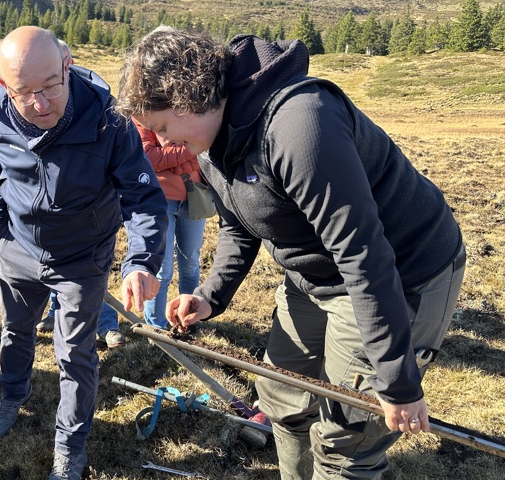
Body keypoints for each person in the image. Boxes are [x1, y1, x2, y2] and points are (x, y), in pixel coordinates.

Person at [117, 29, 465, 480]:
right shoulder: (208, 142)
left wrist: (396, 381)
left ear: (191, 99)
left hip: (400, 275)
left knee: (346, 440)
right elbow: (238, 225)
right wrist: (210, 295)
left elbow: (362, 254)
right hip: (312, 277)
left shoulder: (299, 125)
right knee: (284, 402)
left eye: (162, 128)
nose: (162, 146)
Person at [0, 27, 167, 480]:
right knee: (15, 332)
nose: (41, 104)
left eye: (50, 86)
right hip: (18, 251)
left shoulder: (111, 121)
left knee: (75, 355)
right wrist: (0, 226)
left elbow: (144, 198)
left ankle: (70, 447)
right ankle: (13, 393)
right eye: (26, 93)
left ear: (67, 66)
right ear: (6, 87)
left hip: (81, 259)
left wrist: (142, 260)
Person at [35, 39, 123, 349]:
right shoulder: (38, 104)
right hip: (53, 214)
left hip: (94, 214)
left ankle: (108, 324)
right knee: (54, 267)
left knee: (94, 273)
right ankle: (54, 312)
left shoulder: (98, 103)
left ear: (68, 63)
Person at [133, 121, 208, 329]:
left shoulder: (185, 112)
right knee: (161, 270)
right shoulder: (143, 117)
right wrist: (189, 150)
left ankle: (190, 319)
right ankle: (156, 327)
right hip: (159, 202)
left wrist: (170, 158)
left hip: (194, 199)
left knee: (191, 262)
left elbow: (204, 151)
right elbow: (150, 157)